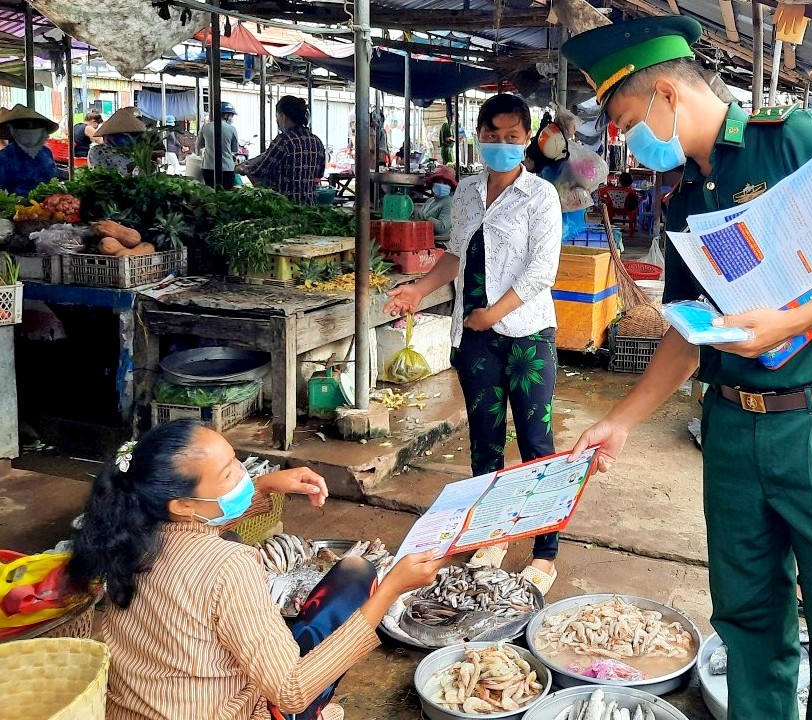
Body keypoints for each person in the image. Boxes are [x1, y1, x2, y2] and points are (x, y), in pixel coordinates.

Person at [562, 17, 812, 719]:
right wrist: (619, 421)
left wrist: (789, 320)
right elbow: (685, 333)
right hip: (731, 426)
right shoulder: (682, 198)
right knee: (748, 616)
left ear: (666, 94)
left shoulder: (794, 139)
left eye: (625, 118)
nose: (622, 138)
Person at [68, 420, 446, 720]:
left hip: (140, 709)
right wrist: (390, 591)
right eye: (230, 475)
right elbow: (292, 691)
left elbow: (199, 526)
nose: (242, 478)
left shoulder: (128, 531)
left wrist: (264, 486)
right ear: (182, 503)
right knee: (357, 577)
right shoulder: (228, 568)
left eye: (236, 462)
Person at [384, 94, 564, 595]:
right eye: (493, 135)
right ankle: (492, 535)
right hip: (474, 340)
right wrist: (417, 290)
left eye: (512, 137)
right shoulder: (465, 192)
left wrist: (494, 313)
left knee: (536, 447)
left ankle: (545, 552)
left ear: (526, 140)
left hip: (527, 336)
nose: (502, 145)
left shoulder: (540, 197)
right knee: (485, 444)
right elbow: (455, 257)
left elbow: (541, 272)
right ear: (479, 136)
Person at [239, 96, 326, 205]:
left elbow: (260, 171)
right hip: (310, 207)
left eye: (277, 116)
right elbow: (319, 174)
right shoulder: (317, 141)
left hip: (284, 208)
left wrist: (243, 169)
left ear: (283, 116)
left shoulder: (283, 140)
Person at [0, 104, 58, 196]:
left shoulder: (46, 152)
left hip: (50, 206)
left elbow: (54, 180)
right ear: (13, 130)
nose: (30, 130)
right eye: (24, 126)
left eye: (35, 125)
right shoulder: (4, 157)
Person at [89, 109, 146, 175]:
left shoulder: (142, 152)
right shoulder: (99, 151)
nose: (132, 139)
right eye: (126, 135)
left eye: (134, 135)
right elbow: (101, 176)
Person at [197, 101, 239, 190]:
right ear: (226, 115)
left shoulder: (205, 127)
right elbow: (234, 149)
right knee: (226, 195)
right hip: (227, 168)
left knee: (211, 194)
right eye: (231, 115)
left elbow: (199, 145)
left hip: (208, 168)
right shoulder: (232, 129)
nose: (232, 118)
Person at [418, 164, 457, 236]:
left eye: (446, 183)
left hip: (441, 243)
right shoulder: (430, 200)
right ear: (433, 184)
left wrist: (426, 218)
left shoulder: (449, 202)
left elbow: (442, 227)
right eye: (439, 181)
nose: (441, 185)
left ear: (451, 186)